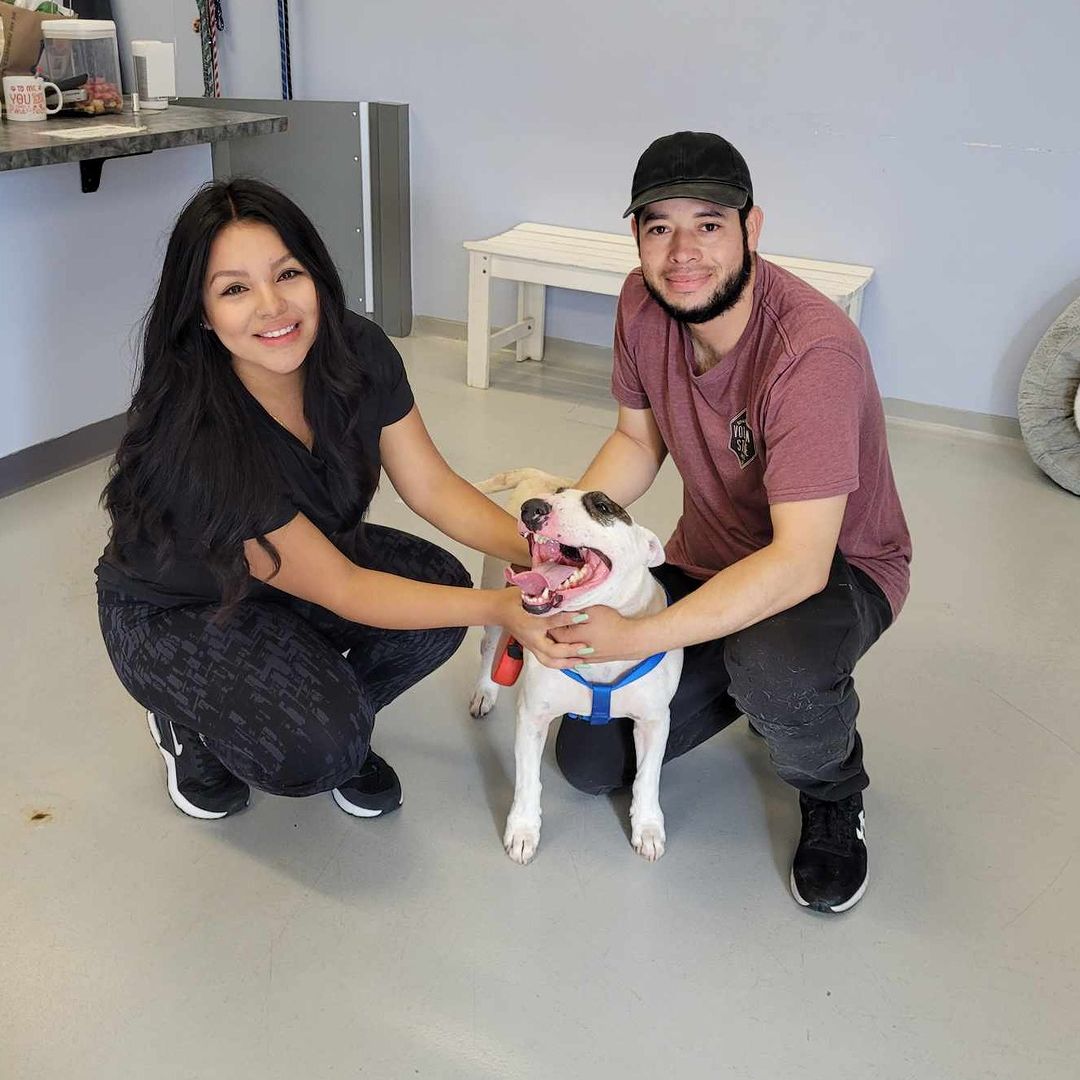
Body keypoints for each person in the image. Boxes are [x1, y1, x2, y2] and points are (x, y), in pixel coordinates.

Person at [96, 178, 586, 822]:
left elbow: (431, 486)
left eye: (288, 273)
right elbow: (346, 589)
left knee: (438, 590)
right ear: (200, 313)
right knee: (318, 752)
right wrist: (508, 608)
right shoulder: (201, 435)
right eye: (235, 289)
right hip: (183, 609)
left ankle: (325, 709)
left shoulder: (357, 350)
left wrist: (550, 553)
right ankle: (196, 724)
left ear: (319, 275)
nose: (273, 307)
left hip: (303, 567)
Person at [549, 131, 912, 913]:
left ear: (752, 228)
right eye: (658, 229)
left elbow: (799, 564)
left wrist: (639, 636)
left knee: (775, 666)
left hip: (837, 571)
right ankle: (755, 683)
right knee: (589, 762)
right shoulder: (641, 305)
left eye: (708, 224)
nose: (682, 252)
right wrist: (570, 542)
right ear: (638, 239)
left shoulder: (812, 354)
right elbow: (634, 441)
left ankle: (832, 787)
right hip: (709, 558)